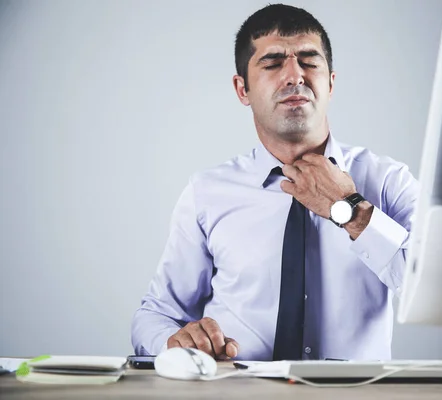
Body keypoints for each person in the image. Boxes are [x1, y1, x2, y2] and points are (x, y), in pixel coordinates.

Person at [132, 3, 423, 361]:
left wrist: (352, 210)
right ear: (243, 90)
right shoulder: (207, 193)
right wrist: (177, 343)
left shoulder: (388, 182)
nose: (294, 76)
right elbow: (154, 315)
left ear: (331, 83)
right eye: (272, 63)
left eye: (309, 61)